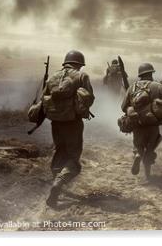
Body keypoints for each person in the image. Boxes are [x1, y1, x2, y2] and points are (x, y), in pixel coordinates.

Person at [41, 50, 94, 207]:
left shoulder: (53, 77)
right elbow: (89, 98)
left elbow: (44, 99)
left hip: (55, 123)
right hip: (73, 123)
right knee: (73, 158)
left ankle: (56, 183)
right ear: (79, 64)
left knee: (60, 150)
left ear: (65, 62)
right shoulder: (81, 76)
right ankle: (59, 183)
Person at [120, 63, 162, 179]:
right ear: (151, 73)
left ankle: (138, 154)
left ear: (140, 74)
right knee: (150, 147)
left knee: (138, 145)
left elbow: (123, 106)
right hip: (153, 123)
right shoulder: (158, 86)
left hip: (137, 123)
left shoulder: (132, 87)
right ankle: (148, 175)